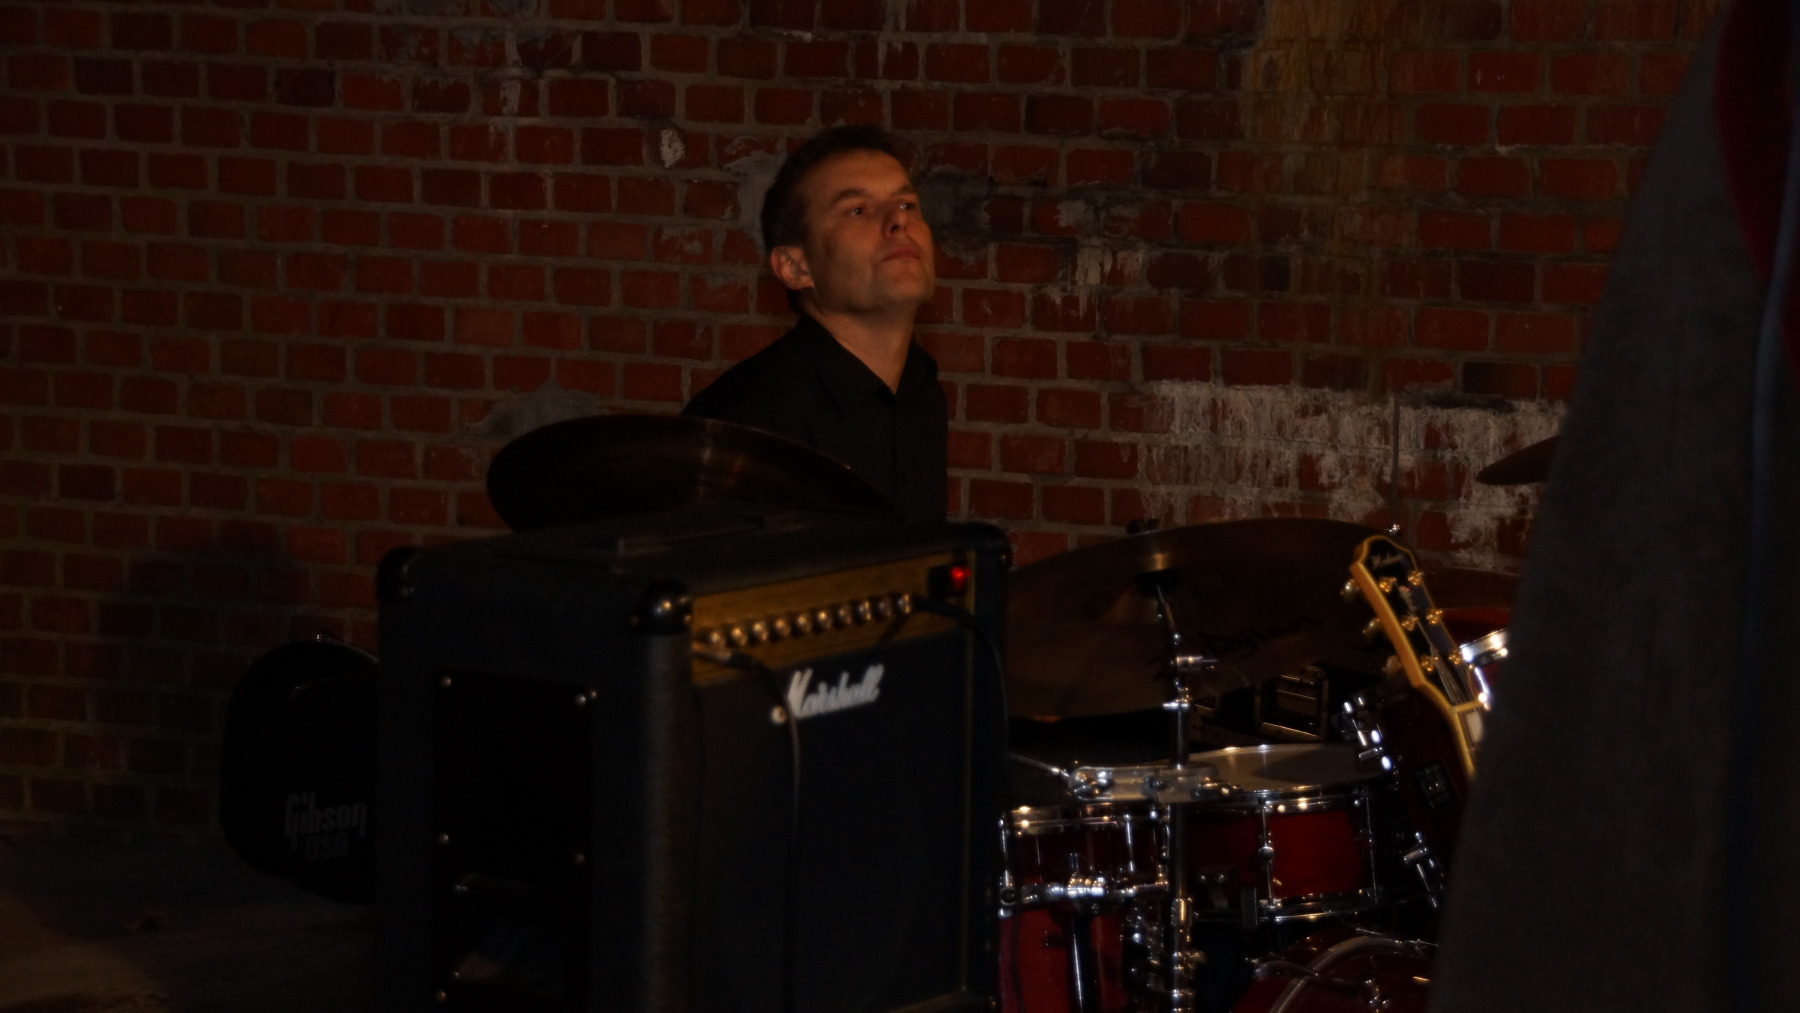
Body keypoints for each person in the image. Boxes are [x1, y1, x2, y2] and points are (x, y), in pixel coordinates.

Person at [682, 125, 947, 524]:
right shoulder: (745, 422)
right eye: (857, 210)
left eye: (908, 204)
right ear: (795, 267)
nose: (898, 220)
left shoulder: (922, 392)